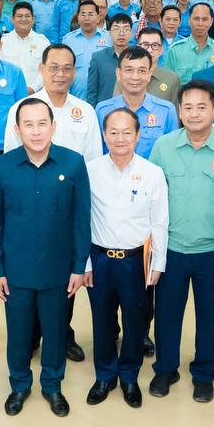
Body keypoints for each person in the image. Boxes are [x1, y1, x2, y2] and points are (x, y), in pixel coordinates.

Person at [0, 99, 91, 417]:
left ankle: (52, 385)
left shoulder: (73, 164)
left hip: (58, 270)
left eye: (42, 123)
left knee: (56, 331)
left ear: (53, 126)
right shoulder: (2, 167)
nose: (36, 131)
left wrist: (79, 267)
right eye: (28, 125)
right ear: (17, 130)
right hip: (15, 271)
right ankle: (19, 384)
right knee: (19, 333)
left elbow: (81, 220)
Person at [146, 80, 214, 404]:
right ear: (179, 111)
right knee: (167, 314)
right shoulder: (163, 147)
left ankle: (203, 373)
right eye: (187, 107)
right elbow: (151, 201)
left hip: (212, 251)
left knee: (210, 316)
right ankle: (166, 368)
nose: (194, 113)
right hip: (171, 249)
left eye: (202, 107)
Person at [83, 108, 166, 408]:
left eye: (127, 132)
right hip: (100, 259)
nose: (120, 138)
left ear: (138, 135)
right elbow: (81, 220)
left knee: (135, 322)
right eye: (113, 132)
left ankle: (129, 375)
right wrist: (84, 263)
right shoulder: (90, 171)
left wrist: (158, 263)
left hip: (136, 261)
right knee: (102, 320)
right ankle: (104, 375)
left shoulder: (152, 173)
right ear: (104, 136)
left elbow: (160, 221)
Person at [61, 1, 112, 98]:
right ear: (78, 17)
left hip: (103, 97)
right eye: (83, 14)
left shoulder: (109, 38)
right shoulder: (68, 40)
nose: (86, 18)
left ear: (98, 17)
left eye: (90, 14)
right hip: (77, 97)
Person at [85, 13, 134, 105]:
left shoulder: (138, 58)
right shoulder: (98, 58)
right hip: (105, 111)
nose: (121, 33)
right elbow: (92, 92)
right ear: (109, 33)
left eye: (126, 29)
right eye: (116, 28)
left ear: (131, 33)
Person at [0, 2, 51, 91]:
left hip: (36, 94)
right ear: (12, 19)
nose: (23, 19)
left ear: (33, 19)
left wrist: (33, 88)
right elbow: (0, 68)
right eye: (19, 16)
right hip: (9, 92)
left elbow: (47, 69)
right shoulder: (3, 41)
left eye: (27, 16)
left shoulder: (43, 42)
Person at [163, 4, 214, 83]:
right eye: (196, 19)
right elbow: (167, 82)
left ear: (211, 21)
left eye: (205, 19)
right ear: (189, 21)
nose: (200, 24)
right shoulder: (175, 50)